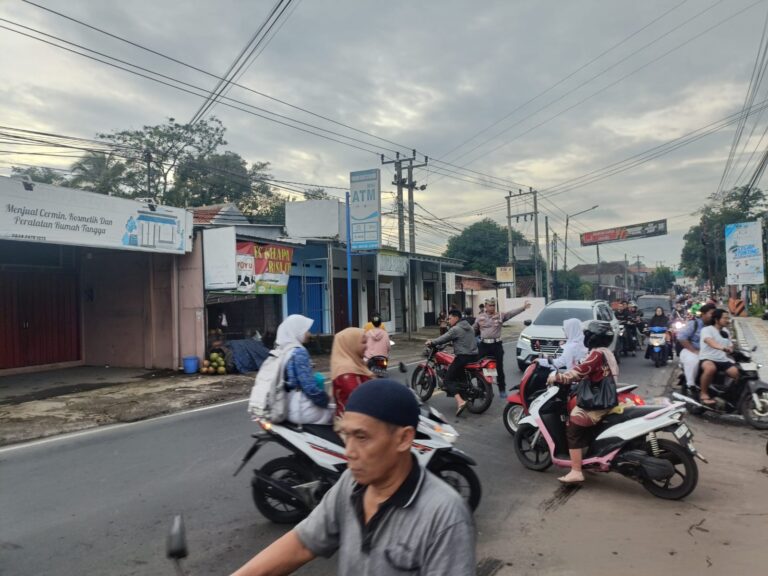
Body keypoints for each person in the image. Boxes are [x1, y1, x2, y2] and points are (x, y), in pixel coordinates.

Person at [231, 379, 476, 576]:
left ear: (403, 438)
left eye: (362, 437)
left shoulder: (444, 516)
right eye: (346, 436)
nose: (349, 451)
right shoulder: (351, 485)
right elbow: (303, 544)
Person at [547, 321, 619, 484]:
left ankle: (576, 471)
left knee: (573, 429)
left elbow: (580, 371)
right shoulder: (607, 352)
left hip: (599, 401)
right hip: (607, 397)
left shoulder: (596, 354)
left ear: (592, 337)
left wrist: (558, 377)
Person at [278, 315, 332, 425]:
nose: (309, 334)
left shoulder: (283, 351)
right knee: (338, 416)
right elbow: (310, 388)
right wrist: (327, 401)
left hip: (286, 408)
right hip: (302, 410)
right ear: (296, 331)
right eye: (306, 330)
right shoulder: (299, 352)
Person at [474, 298, 531, 398]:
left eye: (494, 305)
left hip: (496, 346)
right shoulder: (480, 318)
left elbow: (511, 313)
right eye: (490, 305)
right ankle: (482, 389)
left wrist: (523, 308)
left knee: (499, 368)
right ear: (486, 306)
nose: (492, 307)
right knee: (482, 368)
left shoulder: (500, 315)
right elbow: (472, 329)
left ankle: (502, 390)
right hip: (484, 346)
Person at [426, 309, 478, 416]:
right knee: (459, 375)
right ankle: (464, 394)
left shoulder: (456, 329)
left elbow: (443, 338)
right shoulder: (469, 327)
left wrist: (432, 342)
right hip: (474, 356)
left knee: (447, 380)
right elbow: (463, 340)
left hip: (463, 357)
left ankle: (460, 401)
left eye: (450, 318)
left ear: (456, 318)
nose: (448, 320)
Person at [332, 327, 374, 418]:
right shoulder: (346, 370)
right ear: (351, 345)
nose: (366, 346)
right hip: (353, 424)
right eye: (363, 342)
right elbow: (361, 398)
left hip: (362, 418)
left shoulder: (357, 364)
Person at [698, 309, 738, 406]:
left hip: (723, 360)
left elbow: (730, 345)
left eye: (728, 318)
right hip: (708, 358)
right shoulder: (707, 330)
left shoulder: (726, 332)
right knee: (710, 368)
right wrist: (722, 347)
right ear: (716, 319)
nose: (727, 320)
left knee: (737, 373)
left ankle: (730, 396)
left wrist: (732, 349)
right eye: (725, 318)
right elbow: (709, 341)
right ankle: (703, 393)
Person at [677, 303, 716, 389]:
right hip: (692, 350)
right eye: (711, 314)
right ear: (703, 314)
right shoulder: (694, 324)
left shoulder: (715, 326)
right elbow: (681, 337)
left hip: (710, 352)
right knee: (693, 361)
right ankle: (691, 385)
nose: (713, 316)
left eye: (715, 314)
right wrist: (694, 350)